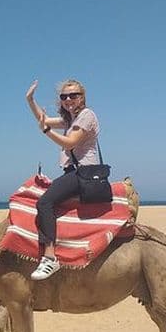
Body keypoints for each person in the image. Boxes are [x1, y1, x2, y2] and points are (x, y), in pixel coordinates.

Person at [25, 78, 101, 280]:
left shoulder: (86, 115)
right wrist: (30, 100)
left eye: (73, 95)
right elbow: (43, 119)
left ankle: (50, 257)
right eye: (64, 96)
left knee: (45, 202)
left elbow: (70, 143)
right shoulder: (70, 119)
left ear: (82, 97)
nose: (68, 99)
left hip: (84, 171)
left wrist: (46, 131)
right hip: (73, 172)